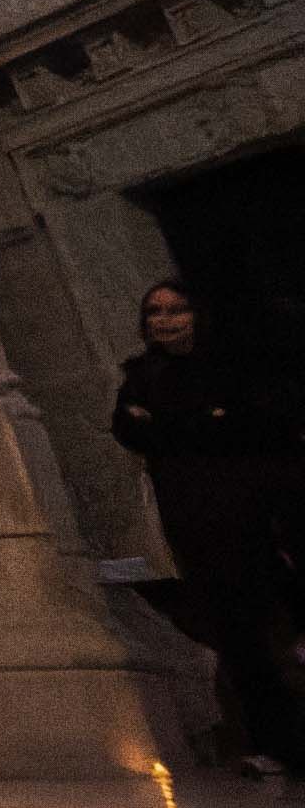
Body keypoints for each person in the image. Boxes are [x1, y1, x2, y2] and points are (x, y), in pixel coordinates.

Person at [113, 277, 305, 776]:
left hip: (255, 510)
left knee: (280, 617)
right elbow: (127, 428)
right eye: (154, 312)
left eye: (176, 311)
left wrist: (173, 425)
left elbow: (250, 427)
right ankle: (277, 744)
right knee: (237, 632)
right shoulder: (141, 374)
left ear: (198, 315)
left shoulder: (233, 367)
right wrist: (196, 423)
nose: (164, 321)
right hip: (193, 516)